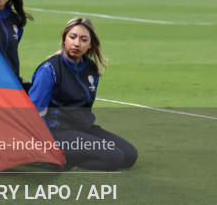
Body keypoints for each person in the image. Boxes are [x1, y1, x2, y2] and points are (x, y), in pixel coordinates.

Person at [28, 18, 137, 171]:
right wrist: (49, 145)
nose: (77, 43)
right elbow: (34, 113)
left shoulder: (91, 68)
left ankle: (78, 156)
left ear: (90, 44)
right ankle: (64, 162)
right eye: (72, 37)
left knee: (130, 155)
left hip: (83, 129)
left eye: (83, 40)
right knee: (114, 158)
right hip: (58, 132)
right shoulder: (49, 69)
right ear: (64, 39)